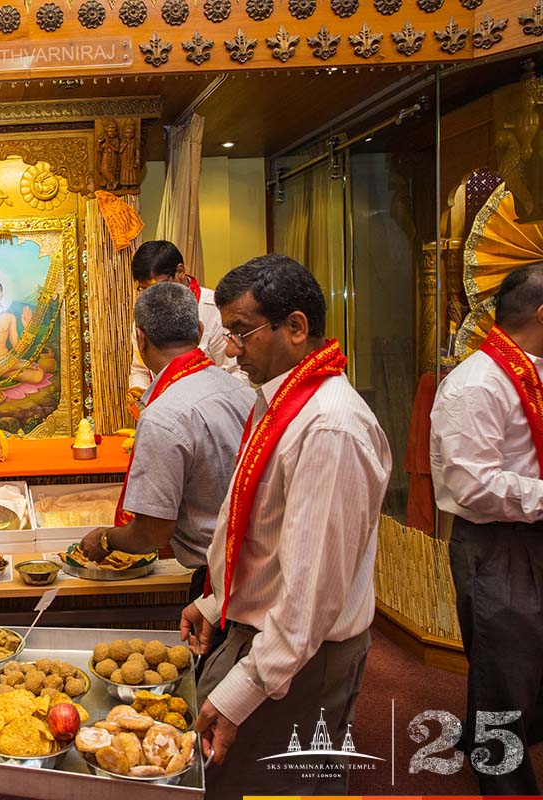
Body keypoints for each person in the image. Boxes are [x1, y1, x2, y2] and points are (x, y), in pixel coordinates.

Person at [180, 255, 391, 799]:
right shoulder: (284, 400)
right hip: (265, 635)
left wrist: (243, 690)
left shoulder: (330, 427)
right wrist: (215, 601)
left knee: (267, 786)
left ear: (295, 327)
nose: (231, 349)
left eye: (241, 332)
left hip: (300, 657)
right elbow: (260, 530)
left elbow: (311, 593)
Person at [430, 263, 543, 795]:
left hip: (532, 530)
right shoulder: (475, 384)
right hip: (497, 543)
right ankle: (504, 780)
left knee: (523, 669)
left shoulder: (529, 369)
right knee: (505, 671)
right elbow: (474, 486)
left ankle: (486, 737)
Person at [80, 282, 252, 608]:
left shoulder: (164, 415)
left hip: (215, 581)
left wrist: (105, 538)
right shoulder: (241, 391)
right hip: (255, 566)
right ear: (200, 331)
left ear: (140, 339)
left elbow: (153, 534)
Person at [127, 241, 243, 401]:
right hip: (161, 410)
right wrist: (139, 391)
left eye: (158, 287)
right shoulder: (144, 314)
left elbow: (235, 374)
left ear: (180, 271)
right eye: (144, 290)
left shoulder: (214, 310)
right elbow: (140, 369)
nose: (152, 296)